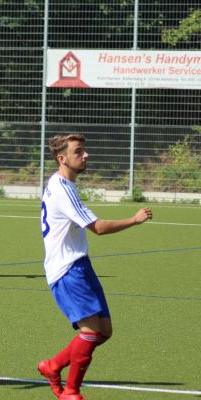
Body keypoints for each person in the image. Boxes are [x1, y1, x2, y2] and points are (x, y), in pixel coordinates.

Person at [38, 135, 152, 400]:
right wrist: (134, 220)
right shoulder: (63, 190)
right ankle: (71, 391)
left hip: (80, 264)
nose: (86, 155)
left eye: (85, 150)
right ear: (62, 158)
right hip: (66, 269)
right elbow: (98, 228)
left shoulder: (63, 183)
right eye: (79, 151)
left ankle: (53, 366)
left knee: (104, 331)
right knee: (90, 331)